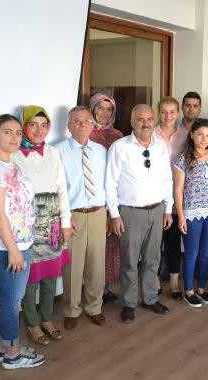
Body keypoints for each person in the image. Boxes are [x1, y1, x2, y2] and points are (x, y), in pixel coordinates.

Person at [0, 114, 45, 369]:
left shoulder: (10, 162)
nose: (15, 137)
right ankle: (13, 355)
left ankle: (2, 347)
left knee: (6, 296)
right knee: (11, 301)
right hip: (6, 247)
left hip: (17, 244)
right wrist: (14, 251)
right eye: (8, 132)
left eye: (18, 133)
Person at [106, 104, 174, 322]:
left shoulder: (160, 146)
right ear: (132, 122)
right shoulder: (119, 147)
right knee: (129, 261)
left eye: (149, 119)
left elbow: (167, 178)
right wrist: (114, 214)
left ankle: (150, 298)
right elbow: (110, 183)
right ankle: (128, 303)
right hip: (130, 212)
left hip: (157, 210)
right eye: (140, 119)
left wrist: (168, 209)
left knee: (153, 259)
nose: (146, 124)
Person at [12, 106, 71, 346]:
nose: (39, 130)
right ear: (23, 126)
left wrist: (65, 222)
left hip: (52, 220)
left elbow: (62, 188)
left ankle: (47, 319)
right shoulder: (13, 154)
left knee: (50, 275)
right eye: (33, 125)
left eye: (44, 125)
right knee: (30, 277)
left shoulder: (53, 152)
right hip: (26, 222)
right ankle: (32, 324)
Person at [56, 106, 107, 330]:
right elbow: (56, 188)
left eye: (87, 121)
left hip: (98, 213)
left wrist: (109, 212)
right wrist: (64, 218)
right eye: (77, 121)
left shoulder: (101, 151)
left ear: (92, 126)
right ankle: (71, 310)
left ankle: (95, 307)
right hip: (73, 216)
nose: (83, 125)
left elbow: (107, 183)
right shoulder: (58, 151)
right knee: (73, 267)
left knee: (96, 264)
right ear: (69, 126)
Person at [173, 119, 208, 307]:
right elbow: (178, 190)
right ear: (192, 134)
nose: (204, 139)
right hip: (191, 213)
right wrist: (181, 216)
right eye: (200, 134)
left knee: (206, 253)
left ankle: (201, 288)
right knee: (191, 253)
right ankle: (189, 291)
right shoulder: (183, 159)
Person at [88, 93, 124, 304]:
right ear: (92, 109)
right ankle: (91, 290)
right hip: (92, 197)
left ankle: (106, 288)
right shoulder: (86, 133)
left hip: (113, 197)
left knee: (110, 244)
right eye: (100, 108)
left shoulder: (118, 135)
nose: (104, 113)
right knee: (93, 246)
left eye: (109, 109)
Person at [153, 96, 188, 298]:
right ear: (159, 112)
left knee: (173, 241)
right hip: (155, 195)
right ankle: (155, 280)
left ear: (178, 113)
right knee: (155, 243)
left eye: (172, 112)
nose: (168, 116)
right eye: (164, 112)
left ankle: (174, 282)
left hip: (177, 196)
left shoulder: (186, 135)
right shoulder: (151, 134)